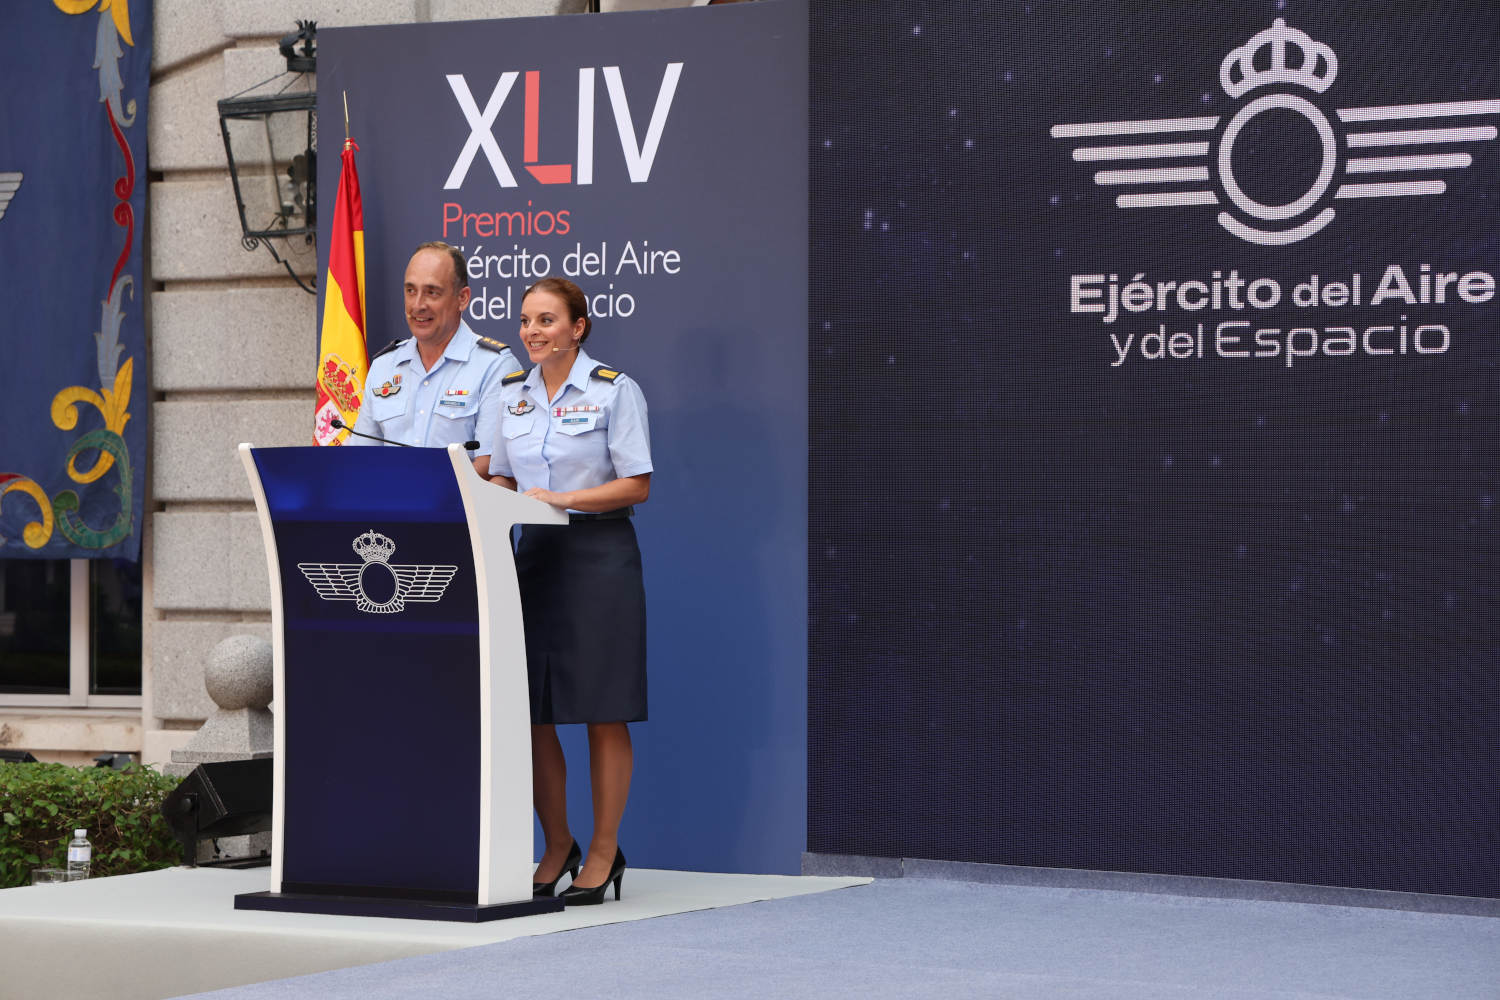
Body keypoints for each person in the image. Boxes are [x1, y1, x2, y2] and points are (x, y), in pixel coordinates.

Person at [486, 277, 651, 906]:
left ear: (578, 328)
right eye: (526, 320)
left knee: (602, 709)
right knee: (533, 713)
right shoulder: (511, 396)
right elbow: (502, 476)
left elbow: (636, 484)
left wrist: (565, 499)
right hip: (533, 557)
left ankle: (605, 852)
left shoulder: (614, 390)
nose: (532, 332)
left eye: (547, 321)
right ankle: (558, 845)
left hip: (600, 554)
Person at [348, 241, 519, 474]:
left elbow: (490, 465)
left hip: (457, 509)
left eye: (432, 292)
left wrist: (419, 492)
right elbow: (361, 458)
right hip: (389, 507)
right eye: (410, 291)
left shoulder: (495, 366)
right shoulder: (383, 366)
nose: (418, 305)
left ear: (463, 298)